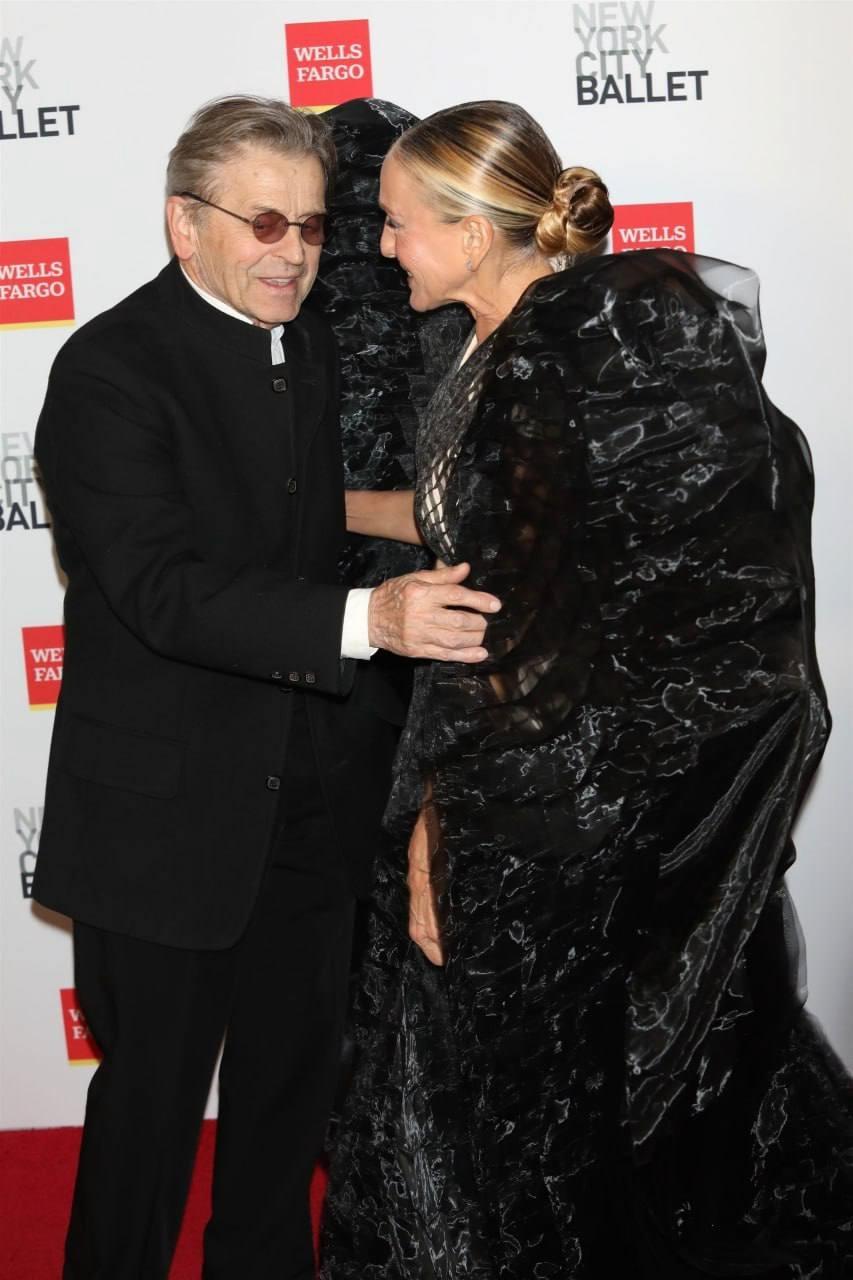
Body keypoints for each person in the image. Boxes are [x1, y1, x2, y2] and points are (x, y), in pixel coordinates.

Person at [319, 100, 853, 1277]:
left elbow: (529, 633)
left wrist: (438, 826)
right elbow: (460, 517)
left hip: (548, 809)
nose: (383, 247)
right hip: (526, 783)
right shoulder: (478, 345)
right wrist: (315, 506)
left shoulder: (559, 358)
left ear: (470, 233)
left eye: (399, 225)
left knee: (538, 1121)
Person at [32, 94, 501, 1280]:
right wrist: (366, 618)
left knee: (286, 1115)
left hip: (304, 809)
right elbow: (163, 590)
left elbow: (306, 529)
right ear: (184, 223)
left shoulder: (309, 344)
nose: (294, 252)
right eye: (264, 222)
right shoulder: (108, 371)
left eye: (312, 225)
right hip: (163, 823)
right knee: (146, 1124)